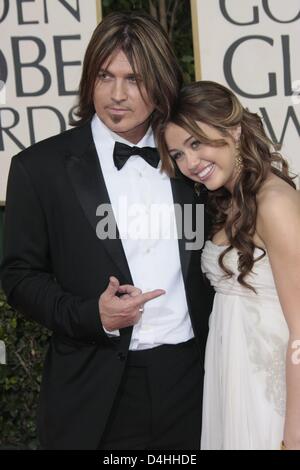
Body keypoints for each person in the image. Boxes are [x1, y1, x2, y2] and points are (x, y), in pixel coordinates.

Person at [0, 13, 213, 450]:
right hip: (95, 387)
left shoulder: (194, 163)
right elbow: (19, 276)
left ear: (160, 83)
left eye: (134, 79)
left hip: (193, 382)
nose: (117, 95)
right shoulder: (39, 169)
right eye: (104, 75)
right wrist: (91, 315)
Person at [157, 80, 300, 450]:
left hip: (273, 397)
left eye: (195, 143)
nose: (189, 164)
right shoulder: (228, 202)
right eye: (177, 154)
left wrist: (294, 436)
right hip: (231, 381)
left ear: (233, 129)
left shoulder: (274, 203)